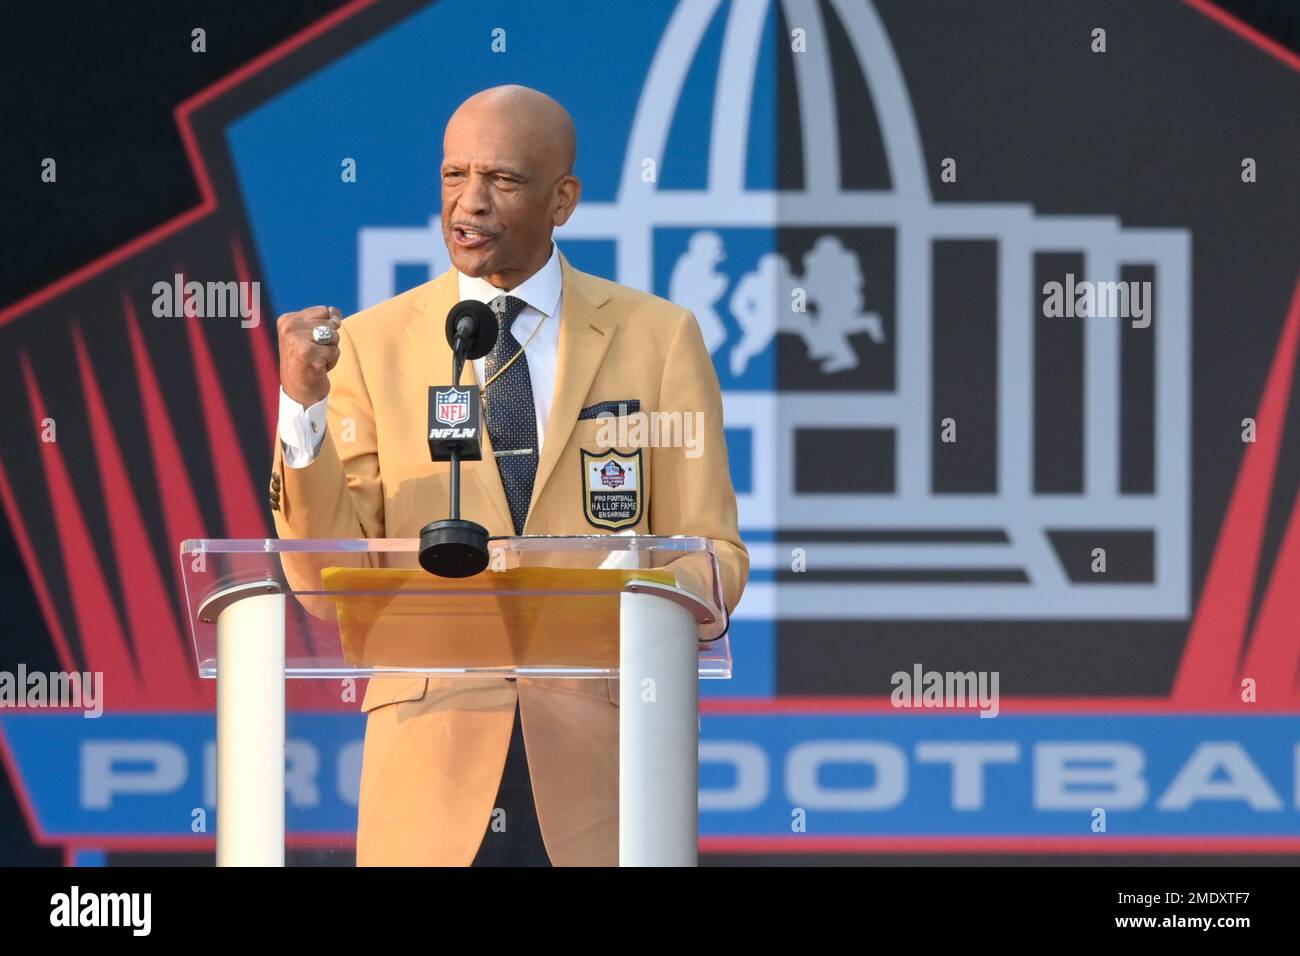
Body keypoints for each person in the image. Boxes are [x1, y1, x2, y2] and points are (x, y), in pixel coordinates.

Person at [269, 85, 747, 866]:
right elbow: (326, 578)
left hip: (606, 765)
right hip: (433, 765)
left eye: (504, 180)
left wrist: (635, 587)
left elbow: (718, 557)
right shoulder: (371, 345)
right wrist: (301, 408)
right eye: (454, 175)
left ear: (563, 199)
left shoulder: (657, 338)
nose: (471, 202)